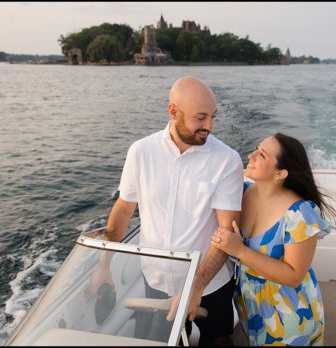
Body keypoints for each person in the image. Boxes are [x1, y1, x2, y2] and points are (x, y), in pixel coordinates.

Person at [92, 76, 244, 345]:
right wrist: (103, 266)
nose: (209, 126)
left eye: (213, 117)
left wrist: (195, 287)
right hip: (156, 280)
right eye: (200, 117)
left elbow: (225, 232)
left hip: (210, 285)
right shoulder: (141, 151)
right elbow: (124, 209)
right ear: (173, 111)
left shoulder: (227, 160)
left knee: (218, 341)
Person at [212, 133, 334, 346]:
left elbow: (294, 275)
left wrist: (240, 251)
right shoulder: (240, 193)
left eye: (262, 154)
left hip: (290, 314)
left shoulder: (300, 213)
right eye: (256, 148)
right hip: (249, 307)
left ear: (281, 173)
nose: (251, 155)